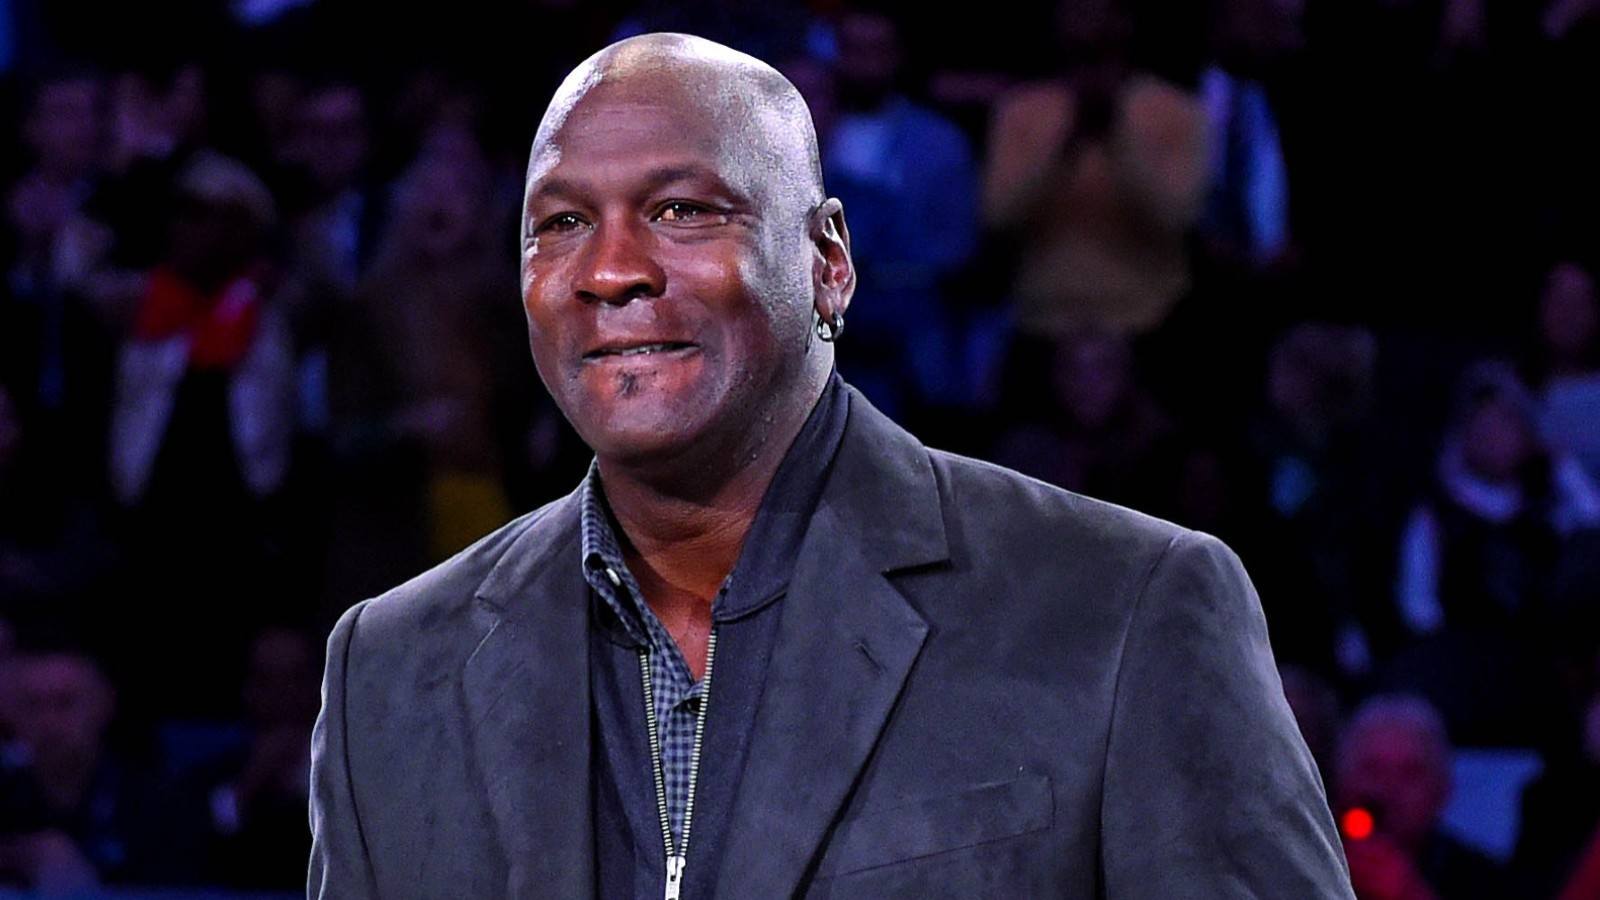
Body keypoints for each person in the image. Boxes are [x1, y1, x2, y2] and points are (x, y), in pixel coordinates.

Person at [307, 32, 1352, 898]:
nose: (612, 269)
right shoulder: (388, 671)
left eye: (682, 210)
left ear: (829, 264)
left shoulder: (1122, 607)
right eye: (562, 223)